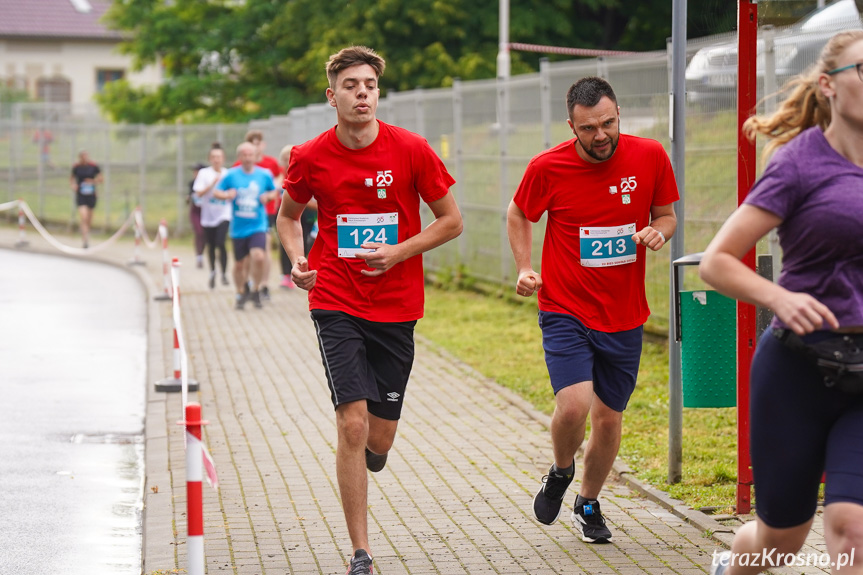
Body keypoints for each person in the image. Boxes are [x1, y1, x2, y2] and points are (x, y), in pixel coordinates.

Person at [276, 46, 462, 575]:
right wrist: (297, 260)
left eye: (370, 85)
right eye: (351, 85)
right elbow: (288, 218)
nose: (362, 93)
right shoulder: (310, 155)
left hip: (397, 303)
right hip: (335, 297)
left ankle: (374, 453)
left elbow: (451, 221)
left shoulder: (412, 150)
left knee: (378, 437)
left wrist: (399, 251)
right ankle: (361, 551)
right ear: (331, 95)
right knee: (352, 426)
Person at [701, 30, 863, 575]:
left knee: (851, 530)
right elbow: (717, 261)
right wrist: (779, 297)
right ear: (828, 86)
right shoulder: (799, 163)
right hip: (796, 368)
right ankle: (734, 565)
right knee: (779, 540)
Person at [507, 76, 678, 543]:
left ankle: (587, 501)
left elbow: (666, 214)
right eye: (588, 129)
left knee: (608, 419)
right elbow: (520, 212)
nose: (600, 135)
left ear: (618, 113)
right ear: (572, 126)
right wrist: (525, 267)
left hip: (624, 313)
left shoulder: (650, 156)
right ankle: (561, 470)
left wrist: (659, 232)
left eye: (608, 123)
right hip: (565, 306)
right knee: (575, 406)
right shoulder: (548, 167)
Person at [216, 142, 279, 310]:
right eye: (244, 154)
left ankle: (257, 289)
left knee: (259, 256)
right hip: (238, 228)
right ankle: (240, 291)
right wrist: (226, 195)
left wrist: (268, 196)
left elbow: (275, 191)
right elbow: (217, 191)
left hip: (258, 225)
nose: (248, 158)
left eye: (250, 154)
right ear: (240, 157)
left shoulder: (264, 175)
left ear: (255, 156)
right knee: (239, 264)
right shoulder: (231, 175)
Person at [235, 129, 283, 300]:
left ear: (263, 145)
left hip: (266, 211)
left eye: (258, 143)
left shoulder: (270, 163)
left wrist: (271, 192)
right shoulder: (239, 166)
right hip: (244, 216)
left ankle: (264, 284)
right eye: (252, 144)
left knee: (265, 248)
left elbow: (280, 178)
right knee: (247, 255)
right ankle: (248, 282)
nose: (256, 147)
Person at [277, 144, 319, 289]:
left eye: (290, 158)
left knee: (305, 241)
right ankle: (286, 275)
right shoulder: (280, 177)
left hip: (306, 215)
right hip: (287, 212)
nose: (288, 162)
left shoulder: (306, 171)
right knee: (285, 245)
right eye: (285, 159)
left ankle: (303, 268)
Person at [193, 144, 231, 288]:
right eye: (213, 157)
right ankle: (213, 271)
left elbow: (233, 190)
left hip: (224, 214)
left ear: (223, 159)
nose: (216, 160)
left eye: (219, 157)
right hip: (208, 216)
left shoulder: (228, 174)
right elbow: (198, 193)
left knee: (221, 242)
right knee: (211, 245)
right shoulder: (204, 173)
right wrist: (211, 185)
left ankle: (224, 273)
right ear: (210, 159)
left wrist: (229, 194)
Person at [70, 150, 103, 248]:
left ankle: (86, 232)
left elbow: (101, 179)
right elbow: (71, 179)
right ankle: (85, 238)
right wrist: (73, 186)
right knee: (83, 216)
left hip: (91, 195)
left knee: (89, 218)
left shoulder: (93, 166)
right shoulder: (76, 167)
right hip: (81, 195)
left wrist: (92, 181)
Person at [188, 162, 207, 268]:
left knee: (205, 234)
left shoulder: (207, 183)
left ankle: (203, 253)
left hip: (206, 211)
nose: (195, 173)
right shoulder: (192, 183)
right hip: (196, 211)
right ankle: (199, 256)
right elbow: (190, 195)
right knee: (199, 232)